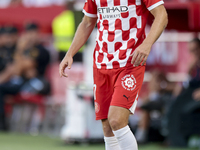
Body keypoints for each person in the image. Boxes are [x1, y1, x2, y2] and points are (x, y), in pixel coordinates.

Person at [59, 0, 168, 149]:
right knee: (108, 128)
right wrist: (70, 53)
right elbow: (87, 22)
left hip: (130, 63)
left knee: (116, 120)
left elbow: (162, 15)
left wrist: (147, 44)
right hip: (101, 64)